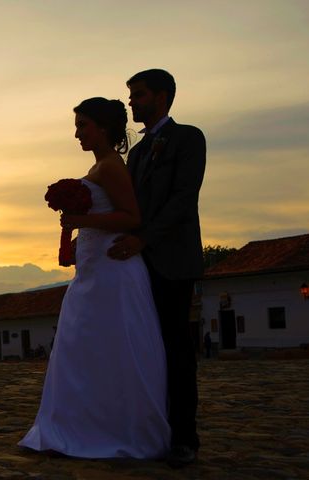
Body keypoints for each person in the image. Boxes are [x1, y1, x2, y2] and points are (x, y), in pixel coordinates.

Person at [18, 97, 170, 459]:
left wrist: (81, 221)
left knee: (108, 347)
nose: (77, 133)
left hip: (112, 272)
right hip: (93, 270)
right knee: (86, 348)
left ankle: (106, 428)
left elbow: (131, 216)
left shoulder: (111, 167)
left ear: (103, 128)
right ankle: (84, 423)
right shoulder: (101, 165)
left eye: (83, 125)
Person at [108, 69, 206, 467]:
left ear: (162, 96)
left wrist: (144, 239)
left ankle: (184, 437)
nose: (131, 101)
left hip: (172, 261)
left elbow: (184, 198)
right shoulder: (136, 152)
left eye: (139, 94)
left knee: (176, 349)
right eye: (130, 95)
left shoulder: (188, 138)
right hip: (136, 264)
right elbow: (130, 206)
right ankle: (149, 428)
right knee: (143, 350)